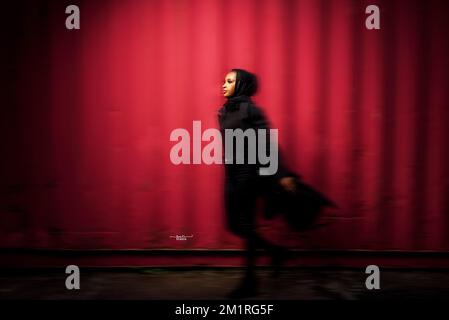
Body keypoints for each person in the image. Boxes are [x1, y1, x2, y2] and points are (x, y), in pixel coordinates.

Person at [218, 68, 296, 299]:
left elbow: (268, 143)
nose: (223, 84)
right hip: (231, 174)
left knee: (248, 226)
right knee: (234, 225)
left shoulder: (251, 110)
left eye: (230, 81)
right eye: (224, 81)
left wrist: (282, 173)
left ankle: (250, 281)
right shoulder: (223, 111)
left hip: (249, 174)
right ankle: (276, 252)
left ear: (242, 85)